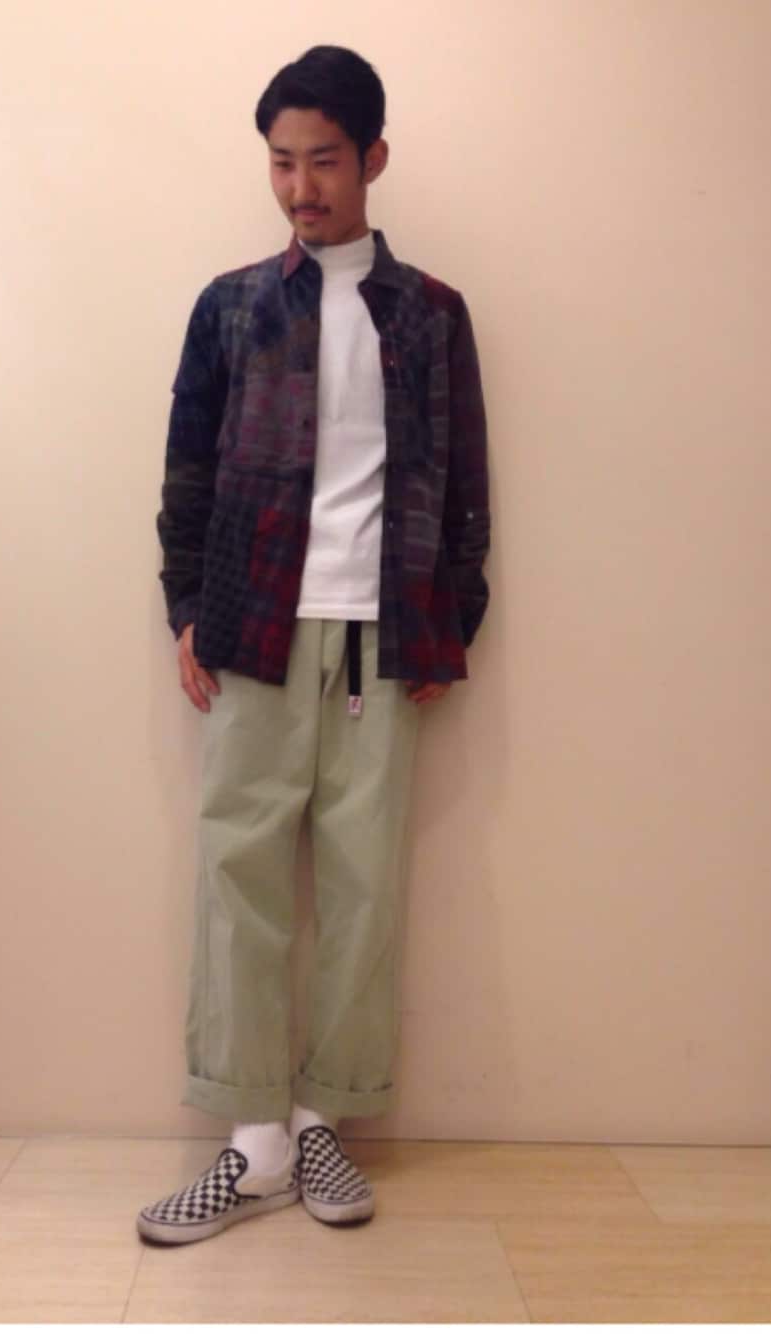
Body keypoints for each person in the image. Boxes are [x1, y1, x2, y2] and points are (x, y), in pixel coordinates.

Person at [138, 44, 491, 1246]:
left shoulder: (432, 313)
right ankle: (253, 1145)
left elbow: (466, 478)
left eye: (324, 160)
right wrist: (187, 602)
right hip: (254, 618)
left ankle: (323, 1118)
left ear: (373, 158)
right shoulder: (230, 305)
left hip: (384, 630)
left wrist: (451, 622)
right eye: (282, 163)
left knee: (362, 880)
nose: (300, 187)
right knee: (236, 872)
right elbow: (187, 467)